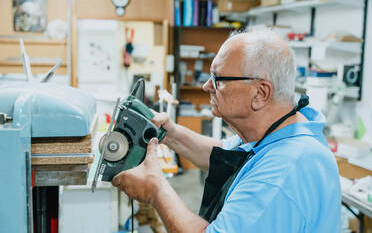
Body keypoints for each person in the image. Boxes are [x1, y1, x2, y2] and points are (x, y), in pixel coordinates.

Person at [112, 29, 341, 232]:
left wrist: (156, 190)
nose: (207, 86)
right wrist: (170, 133)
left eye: (219, 79)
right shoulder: (279, 131)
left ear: (260, 93)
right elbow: (226, 157)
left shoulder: (283, 173)